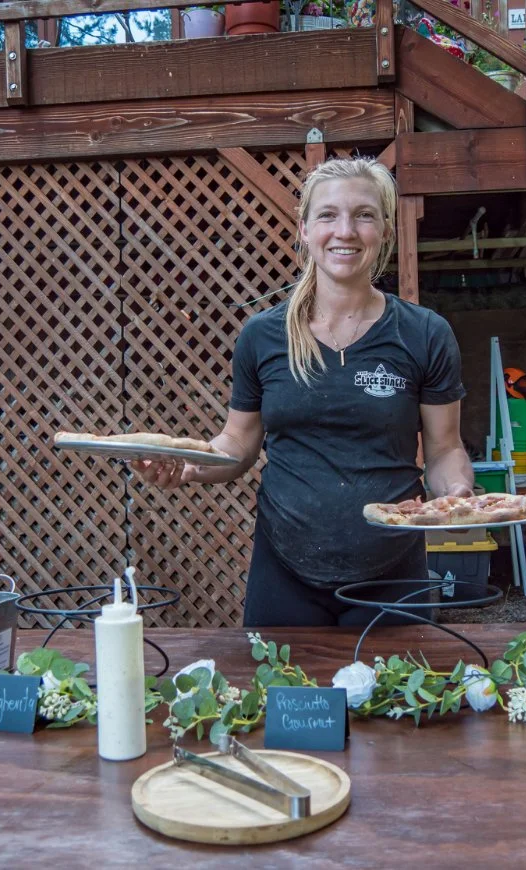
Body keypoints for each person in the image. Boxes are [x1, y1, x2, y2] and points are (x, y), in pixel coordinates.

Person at [131, 157, 474, 627]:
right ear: (306, 229)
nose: (346, 231)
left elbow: (443, 449)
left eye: (364, 215)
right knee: (283, 699)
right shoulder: (263, 336)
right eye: (329, 215)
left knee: (396, 699)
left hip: (394, 572)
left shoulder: (424, 334)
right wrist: (190, 467)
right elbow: (238, 444)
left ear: (385, 231)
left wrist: (457, 493)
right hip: (284, 571)